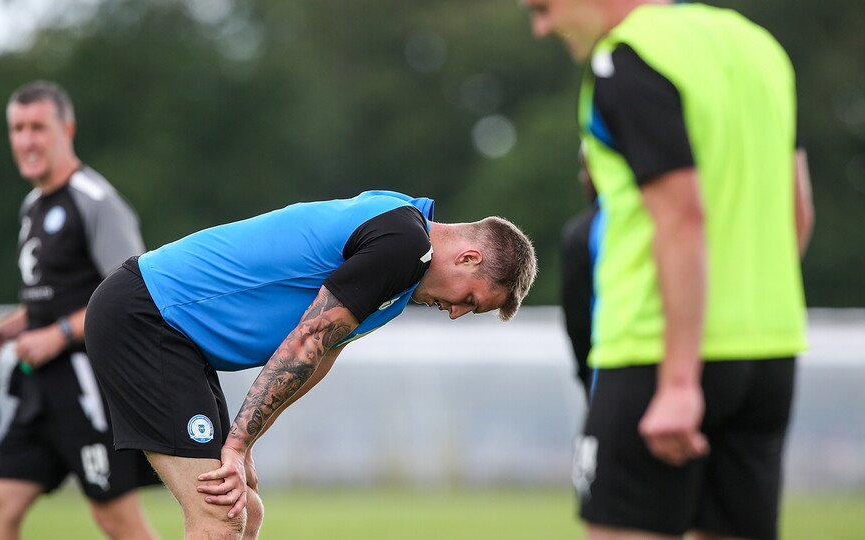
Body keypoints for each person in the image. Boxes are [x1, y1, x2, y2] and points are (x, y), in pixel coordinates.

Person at [84, 190, 539, 540]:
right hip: (147, 317)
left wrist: (248, 439)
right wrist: (236, 445)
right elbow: (309, 338)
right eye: (471, 301)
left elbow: (321, 356)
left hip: (175, 337)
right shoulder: (404, 245)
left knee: (246, 513)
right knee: (217, 517)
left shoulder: (402, 269)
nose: (456, 313)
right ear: (468, 257)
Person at [523, 1, 814, 539]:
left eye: (542, 8)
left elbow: (681, 218)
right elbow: (796, 213)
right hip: (767, 358)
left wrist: (680, 381)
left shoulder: (628, 58)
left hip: (657, 358)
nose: (542, 28)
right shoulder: (758, 46)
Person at [0, 81, 160, 540]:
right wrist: (10, 329)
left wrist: (57, 334)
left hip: (86, 387)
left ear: (66, 129)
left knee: (114, 517)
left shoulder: (95, 200)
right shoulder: (32, 206)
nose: (27, 140)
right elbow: (53, 295)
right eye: (18, 128)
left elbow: (132, 297)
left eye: (38, 127)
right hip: (39, 391)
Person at [560, 150, 600, 398]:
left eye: (586, 169)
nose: (582, 178)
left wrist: (586, 377)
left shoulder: (583, 233)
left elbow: (578, 320)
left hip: (612, 370)